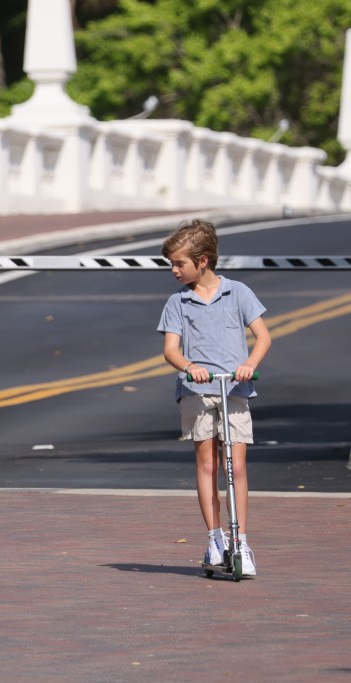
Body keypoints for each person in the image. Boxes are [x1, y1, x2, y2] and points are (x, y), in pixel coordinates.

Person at [157, 219, 271, 576]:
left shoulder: (238, 292)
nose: (174, 270)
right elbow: (170, 350)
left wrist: (249, 365)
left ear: (202, 260)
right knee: (207, 464)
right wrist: (190, 366)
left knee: (235, 467)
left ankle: (241, 542)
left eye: (179, 263)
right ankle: (214, 539)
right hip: (197, 392)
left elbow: (263, 337)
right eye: (172, 264)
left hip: (234, 390)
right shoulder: (179, 302)